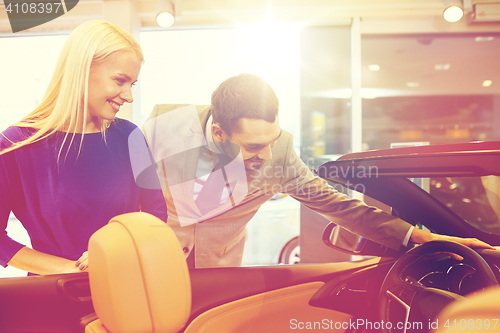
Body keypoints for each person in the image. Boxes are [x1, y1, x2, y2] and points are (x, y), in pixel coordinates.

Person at [143, 73, 492, 268]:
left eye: (272, 140)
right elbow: (125, 196)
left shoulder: (278, 154)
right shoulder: (163, 125)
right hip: (153, 262)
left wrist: (423, 237)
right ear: (219, 132)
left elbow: (337, 205)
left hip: (220, 270)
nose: (266, 155)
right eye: (252, 146)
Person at [0, 20, 168, 275]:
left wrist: (119, 248)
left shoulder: (130, 136)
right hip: (53, 292)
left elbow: (156, 215)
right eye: (120, 80)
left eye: (131, 84)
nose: (128, 96)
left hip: (125, 284)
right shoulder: (16, 145)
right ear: (82, 70)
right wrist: (68, 269)